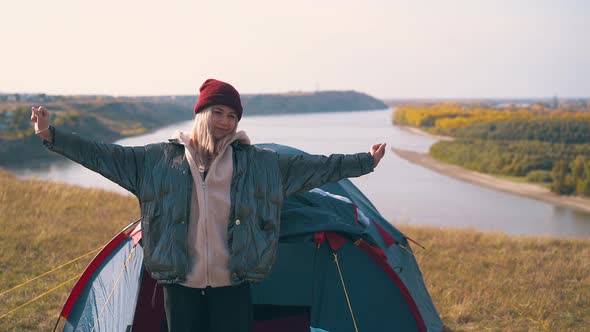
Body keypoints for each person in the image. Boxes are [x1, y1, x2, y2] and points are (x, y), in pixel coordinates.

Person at [31, 78, 386, 332]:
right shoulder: (156, 162)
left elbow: (318, 168)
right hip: (180, 284)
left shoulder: (260, 164)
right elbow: (102, 155)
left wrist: (364, 162)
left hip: (233, 284)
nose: (226, 122)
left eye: (232, 116)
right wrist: (52, 136)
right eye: (219, 112)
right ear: (202, 113)